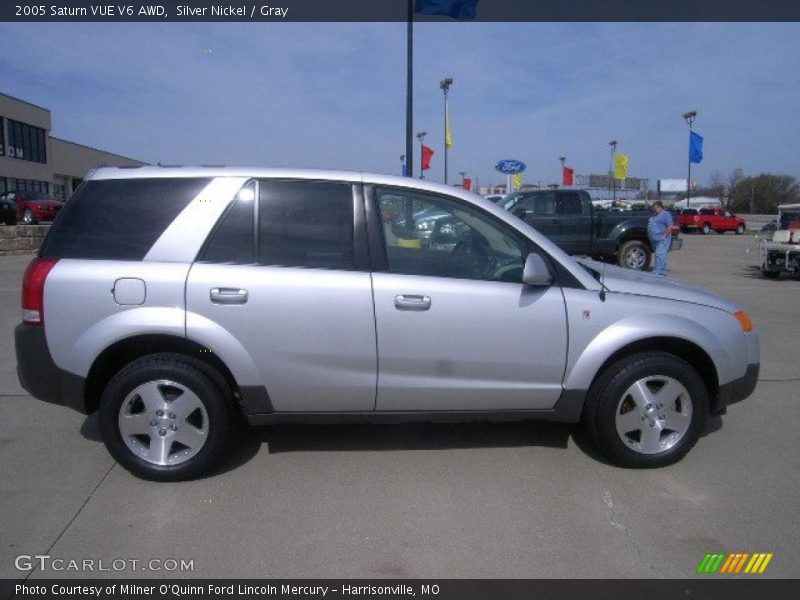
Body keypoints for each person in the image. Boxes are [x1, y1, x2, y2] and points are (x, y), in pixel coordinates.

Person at [648, 201, 673, 276]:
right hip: (655, 240)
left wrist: (664, 236)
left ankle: (658, 272)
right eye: (653, 208)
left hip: (663, 240)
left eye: (655, 208)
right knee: (659, 254)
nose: (654, 210)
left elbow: (670, 226)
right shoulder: (655, 216)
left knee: (660, 254)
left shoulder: (666, 215)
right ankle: (660, 271)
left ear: (660, 207)